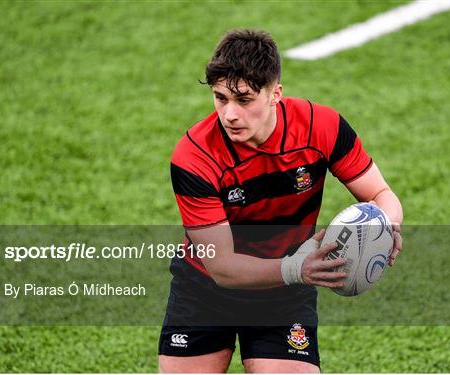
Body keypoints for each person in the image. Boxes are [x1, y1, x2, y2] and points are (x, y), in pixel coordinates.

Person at [158, 29, 403, 373]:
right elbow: (222, 266)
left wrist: (387, 226)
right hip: (206, 289)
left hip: (284, 292)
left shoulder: (322, 127)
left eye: (243, 100)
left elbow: (381, 194)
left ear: (275, 94)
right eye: (220, 98)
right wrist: (297, 268)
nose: (229, 114)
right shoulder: (195, 156)